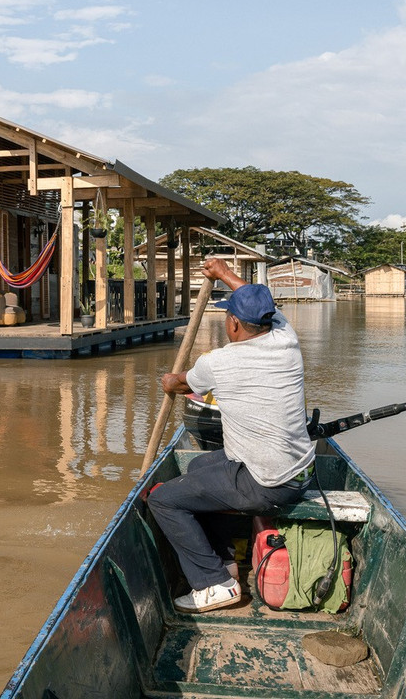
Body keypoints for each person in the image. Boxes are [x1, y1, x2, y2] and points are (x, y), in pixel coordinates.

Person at [147, 257, 315, 613]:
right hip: (301, 472)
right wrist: (223, 274)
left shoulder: (218, 363)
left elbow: (179, 384)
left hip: (266, 483)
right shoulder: (286, 338)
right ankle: (224, 560)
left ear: (234, 324)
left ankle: (214, 584)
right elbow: (255, 298)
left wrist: (168, 380)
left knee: (163, 500)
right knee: (198, 469)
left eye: (228, 318)